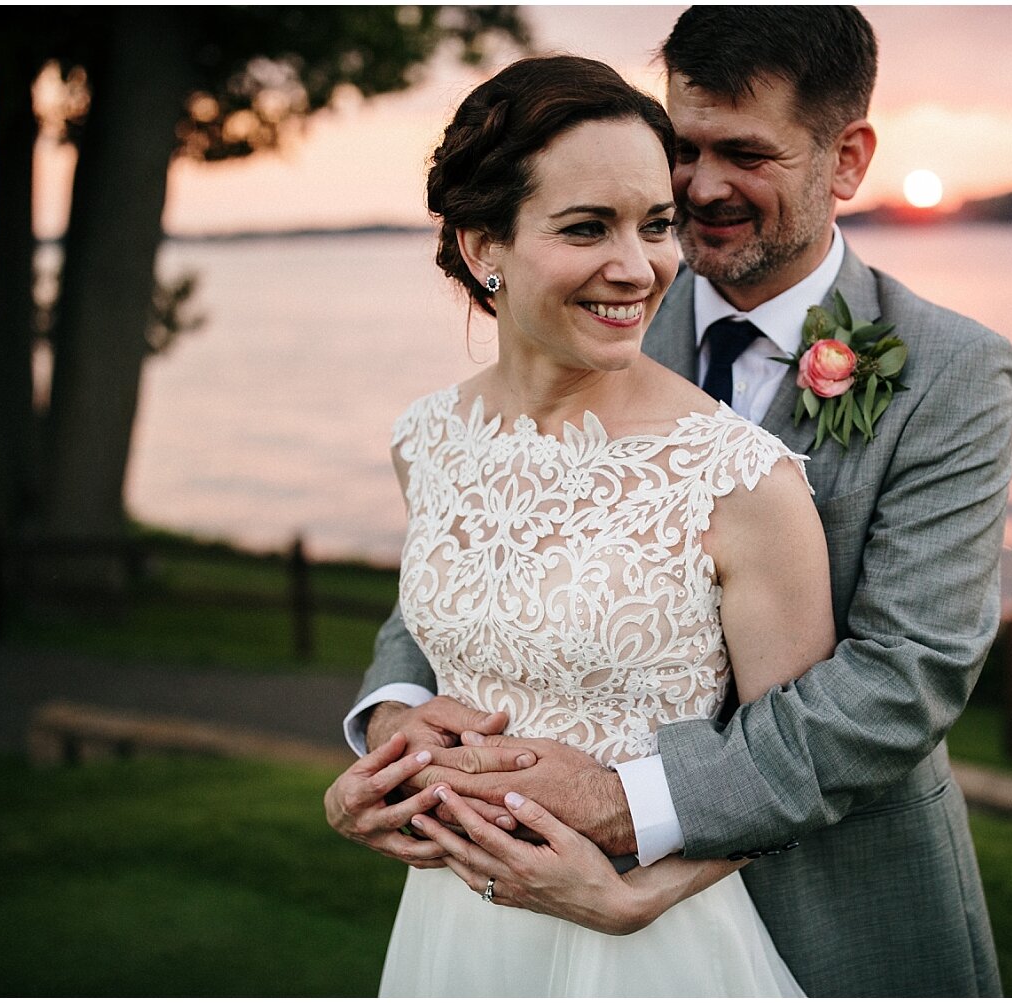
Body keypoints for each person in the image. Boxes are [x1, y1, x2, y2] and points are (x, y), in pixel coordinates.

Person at [328, 6, 1012, 997]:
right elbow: (484, 556)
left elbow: (908, 671)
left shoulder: (950, 369)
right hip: (500, 896)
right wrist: (396, 723)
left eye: (745, 153)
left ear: (849, 158)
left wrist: (632, 812)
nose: (697, 190)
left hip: (826, 887)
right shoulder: (598, 315)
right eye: (681, 147)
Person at [342, 52, 837, 996]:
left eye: (655, 225)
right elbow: (436, 642)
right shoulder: (427, 439)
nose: (637, 266)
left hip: (650, 945)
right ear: (484, 244)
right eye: (586, 228)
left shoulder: (741, 478)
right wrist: (385, 759)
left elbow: (792, 765)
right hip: (455, 921)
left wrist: (642, 893)